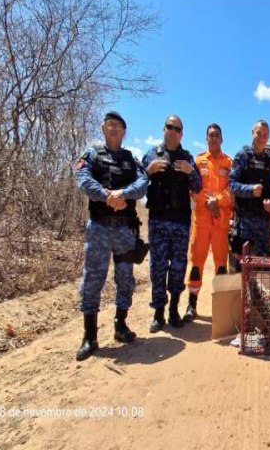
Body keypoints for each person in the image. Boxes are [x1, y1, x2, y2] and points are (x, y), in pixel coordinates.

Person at [73, 111, 148, 361]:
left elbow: (142, 183)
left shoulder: (130, 159)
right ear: (104, 128)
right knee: (93, 278)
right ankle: (89, 336)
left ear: (124, 132)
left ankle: (120, 325)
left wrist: (123, 194)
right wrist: (107, 195)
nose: (115, 129)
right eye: (111, 125)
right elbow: (82, 179)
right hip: (100, 227)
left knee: (125, 278)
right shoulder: (93, 154)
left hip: (125, 229)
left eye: (119, 126)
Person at [142, 115, 201, 333]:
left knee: (177, 268)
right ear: (163, 129)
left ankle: (174, 310)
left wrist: (190, 171)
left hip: (180, 222)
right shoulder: (150, 155)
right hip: (158, 221)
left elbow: (198, 187)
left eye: (177, 128)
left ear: (182, 133)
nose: (173, 131)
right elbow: (138, 183)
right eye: (170, 127)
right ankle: (158, 314)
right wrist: (148, 171)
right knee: (157, 268)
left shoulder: (187, 157)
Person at [184, 123, 233, 322]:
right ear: (206, 138)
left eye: (217, 135)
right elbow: (193, 188)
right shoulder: (198, 161)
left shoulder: (229, 162)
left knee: (221, 265)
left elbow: (233, 189)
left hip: (220, 222)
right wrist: (208, 202)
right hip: (202, 221)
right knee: (197, 263)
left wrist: (218, 201)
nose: (213, 138)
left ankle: (221, 309)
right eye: (210, 135)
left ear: (221, 139)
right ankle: (191, 305)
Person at [229, 120, 270, 261]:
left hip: (263, 225)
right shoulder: (242, 156)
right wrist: (250, 190)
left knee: (262, 268)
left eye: (265, 134)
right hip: (244, 224)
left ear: (268, 137)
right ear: (252, 133)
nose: (262, 137)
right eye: (258, 133)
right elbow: (232, 184)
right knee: (241, 268)